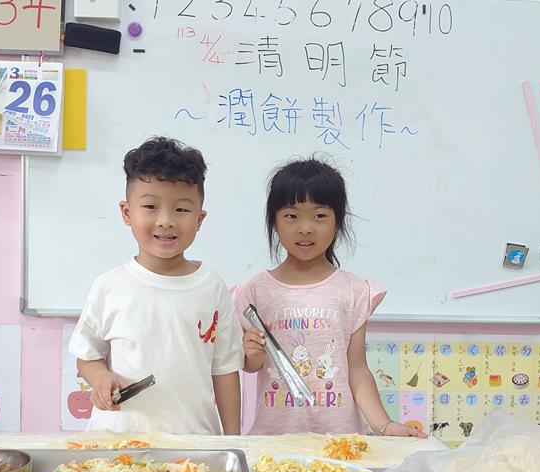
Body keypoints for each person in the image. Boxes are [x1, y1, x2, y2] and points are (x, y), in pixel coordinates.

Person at [233, 158, 426, 437]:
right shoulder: (255, 291)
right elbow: (251, 366)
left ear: (338, 222)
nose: (305, 228)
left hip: (338, 442)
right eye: (291, 216)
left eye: (320, 216)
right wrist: (251, 354)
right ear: (274, 222)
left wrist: (384, 426)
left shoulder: (353, 291)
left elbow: (357, 369)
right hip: (273, 443)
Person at [69, 136, 244, 434]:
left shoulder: (212, 287)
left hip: (195, 443)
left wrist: (234, 441)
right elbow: (87, 356)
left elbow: (225, 370)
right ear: (127, 213)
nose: (165, 221)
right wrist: (100, 378)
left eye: (181, 210)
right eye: (150, 206)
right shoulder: (110, 286)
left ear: (199, 219)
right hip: (118, 442)